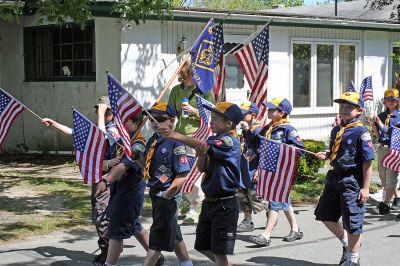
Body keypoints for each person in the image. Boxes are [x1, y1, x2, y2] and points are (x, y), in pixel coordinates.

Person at [160, 102, 243, 266]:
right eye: (211, 118)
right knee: (202, 246)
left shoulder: (230, 141)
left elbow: (203, 145)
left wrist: (174, 135)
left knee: (219, 251)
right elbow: (201, 167)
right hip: (209, 202)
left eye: (216, 119)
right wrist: (202, 154)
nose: (211, 122)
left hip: (225, 204)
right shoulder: (214, 139)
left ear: (229, 123)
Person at [41, 96, 120, 265]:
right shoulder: (101, 126)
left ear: (111, 113)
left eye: (105, 111)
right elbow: (73, 132)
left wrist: (100, 115)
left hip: (107, 179)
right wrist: (54, 123)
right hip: (97, 177)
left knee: (102, 215)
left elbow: (101, 137)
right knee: (97, 215)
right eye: (98, 109)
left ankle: (109, 251)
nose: (99, 113)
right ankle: (107, 248)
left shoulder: (114, 129)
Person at [95, 112, 165, 266]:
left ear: (136, 122)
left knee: (115, 230)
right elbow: (107, 162)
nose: (119, 124)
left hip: (129, 194)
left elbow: (123, 165)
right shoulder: (120, 140)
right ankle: (156, 257)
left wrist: (106, 181)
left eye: (124, 121)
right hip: (118, 190)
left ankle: (109, 263)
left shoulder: (137, 143)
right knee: (133, 225)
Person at [315, 91, 374, 266]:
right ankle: (348, 244)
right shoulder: (337, 129)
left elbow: (367, 162)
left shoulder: (361, 132)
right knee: (324, 214)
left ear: (359, 111)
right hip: (334, 178)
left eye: (349, 107)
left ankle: (353, 260)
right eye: (342, 106)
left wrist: (365, 187)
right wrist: (326, 154)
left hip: (352, 181)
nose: (345, 110)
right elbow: (336, 151)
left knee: (352, 222)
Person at [142, 102, 193, 266]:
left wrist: (168, 194)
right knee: (173, 232)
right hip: (155, 192)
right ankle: (186, 263)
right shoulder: (153, 140)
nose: (155, 122)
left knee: (157, 237)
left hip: (167, 194)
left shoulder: (175, 143)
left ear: (172, 121)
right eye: (152, 119)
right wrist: (136, 158)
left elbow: (182, 174)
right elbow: (147, 166)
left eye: (160, 119)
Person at [249, 98, 304, 247]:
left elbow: (299, 150)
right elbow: (260, 145)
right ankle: (296, 229)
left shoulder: (288, 130)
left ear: (281, 113)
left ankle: (266, 235)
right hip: (268, 168)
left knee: (275, 199)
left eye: (272, 109)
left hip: (281, 171)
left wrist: (283, 149)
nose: (268, 111)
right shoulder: (269, 128)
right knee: (283, 198)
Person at [168, 60, 215, 223]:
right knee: (180, 171)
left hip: (197, 135)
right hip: (178, 136)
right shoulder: (175, 90)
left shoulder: (204, 91)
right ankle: (185, 201)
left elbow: (212, 115)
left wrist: (194, 111)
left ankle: (195, 207)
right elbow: (170, 112)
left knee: (193, 173)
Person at [369, 88, 400, 214]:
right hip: (382, 148)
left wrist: (380, 124)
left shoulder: (399, 117)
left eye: (393, 100)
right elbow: (378, 135)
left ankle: (385, 204)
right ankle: (396, 197)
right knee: (383, 177)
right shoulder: (381, 115)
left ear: (397, 101)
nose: (390, 102)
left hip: (394, 150)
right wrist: (372, 124)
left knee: (391, 177)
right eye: (387, 100)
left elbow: (392, 132)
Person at [237, 101, 265, 232]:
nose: (241, 117)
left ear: (253, 115)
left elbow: (260, 142)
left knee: (256, 197)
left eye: (244, 115)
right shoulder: (244, 129)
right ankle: (248, 220)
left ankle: (271, 214)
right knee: (243, 195)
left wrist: (260, 170)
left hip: (254, 168)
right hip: (244, 167)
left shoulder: (258, 128)